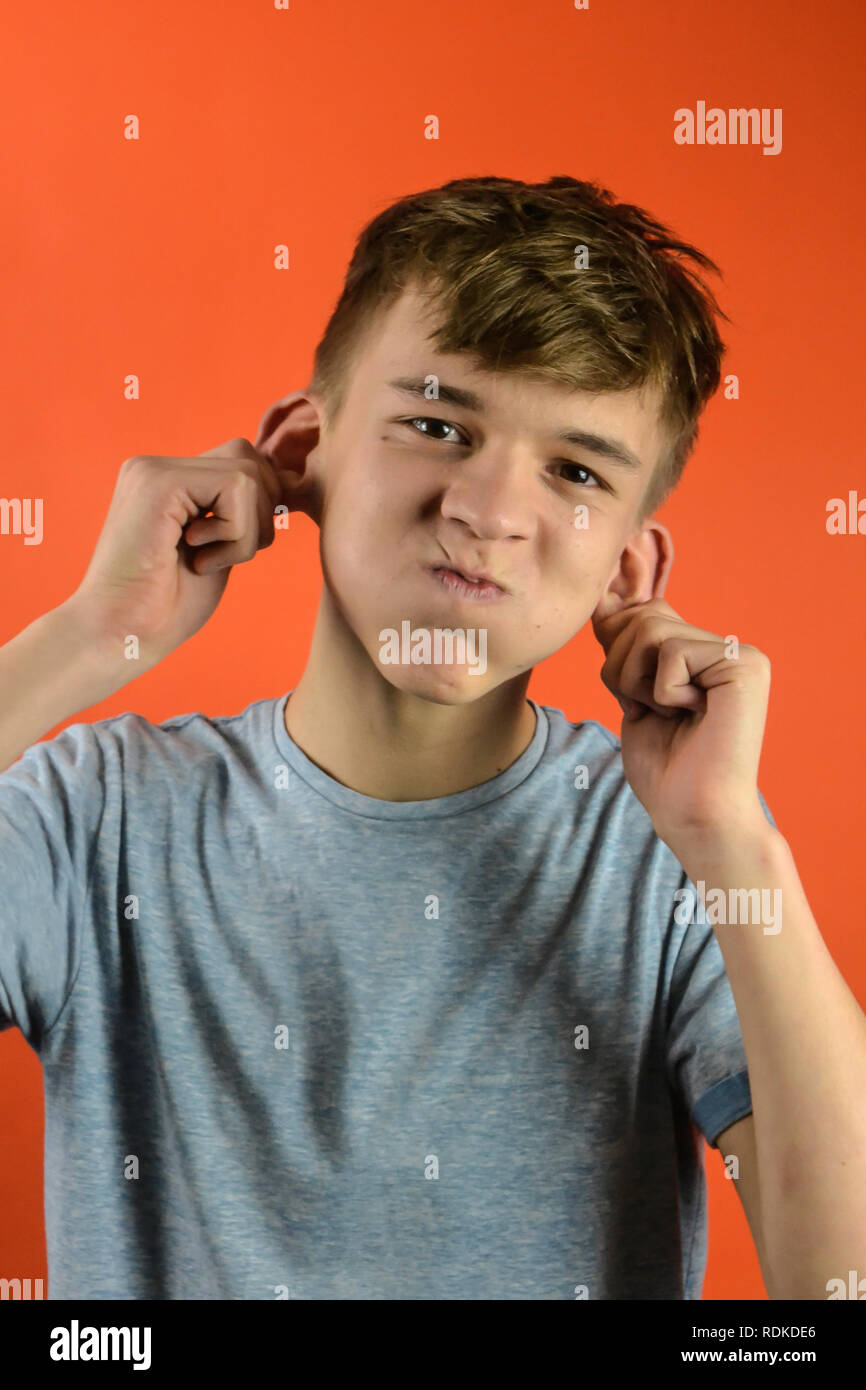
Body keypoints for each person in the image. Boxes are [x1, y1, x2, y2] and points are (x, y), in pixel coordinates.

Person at [1, 176, 863, 1300]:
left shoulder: (673, 861)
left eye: (574, 470)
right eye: (434, 423)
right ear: (301, 452)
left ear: (627, 571)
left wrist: (733, 846)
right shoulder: (90, 822)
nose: (489, 508)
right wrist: (84, 638)